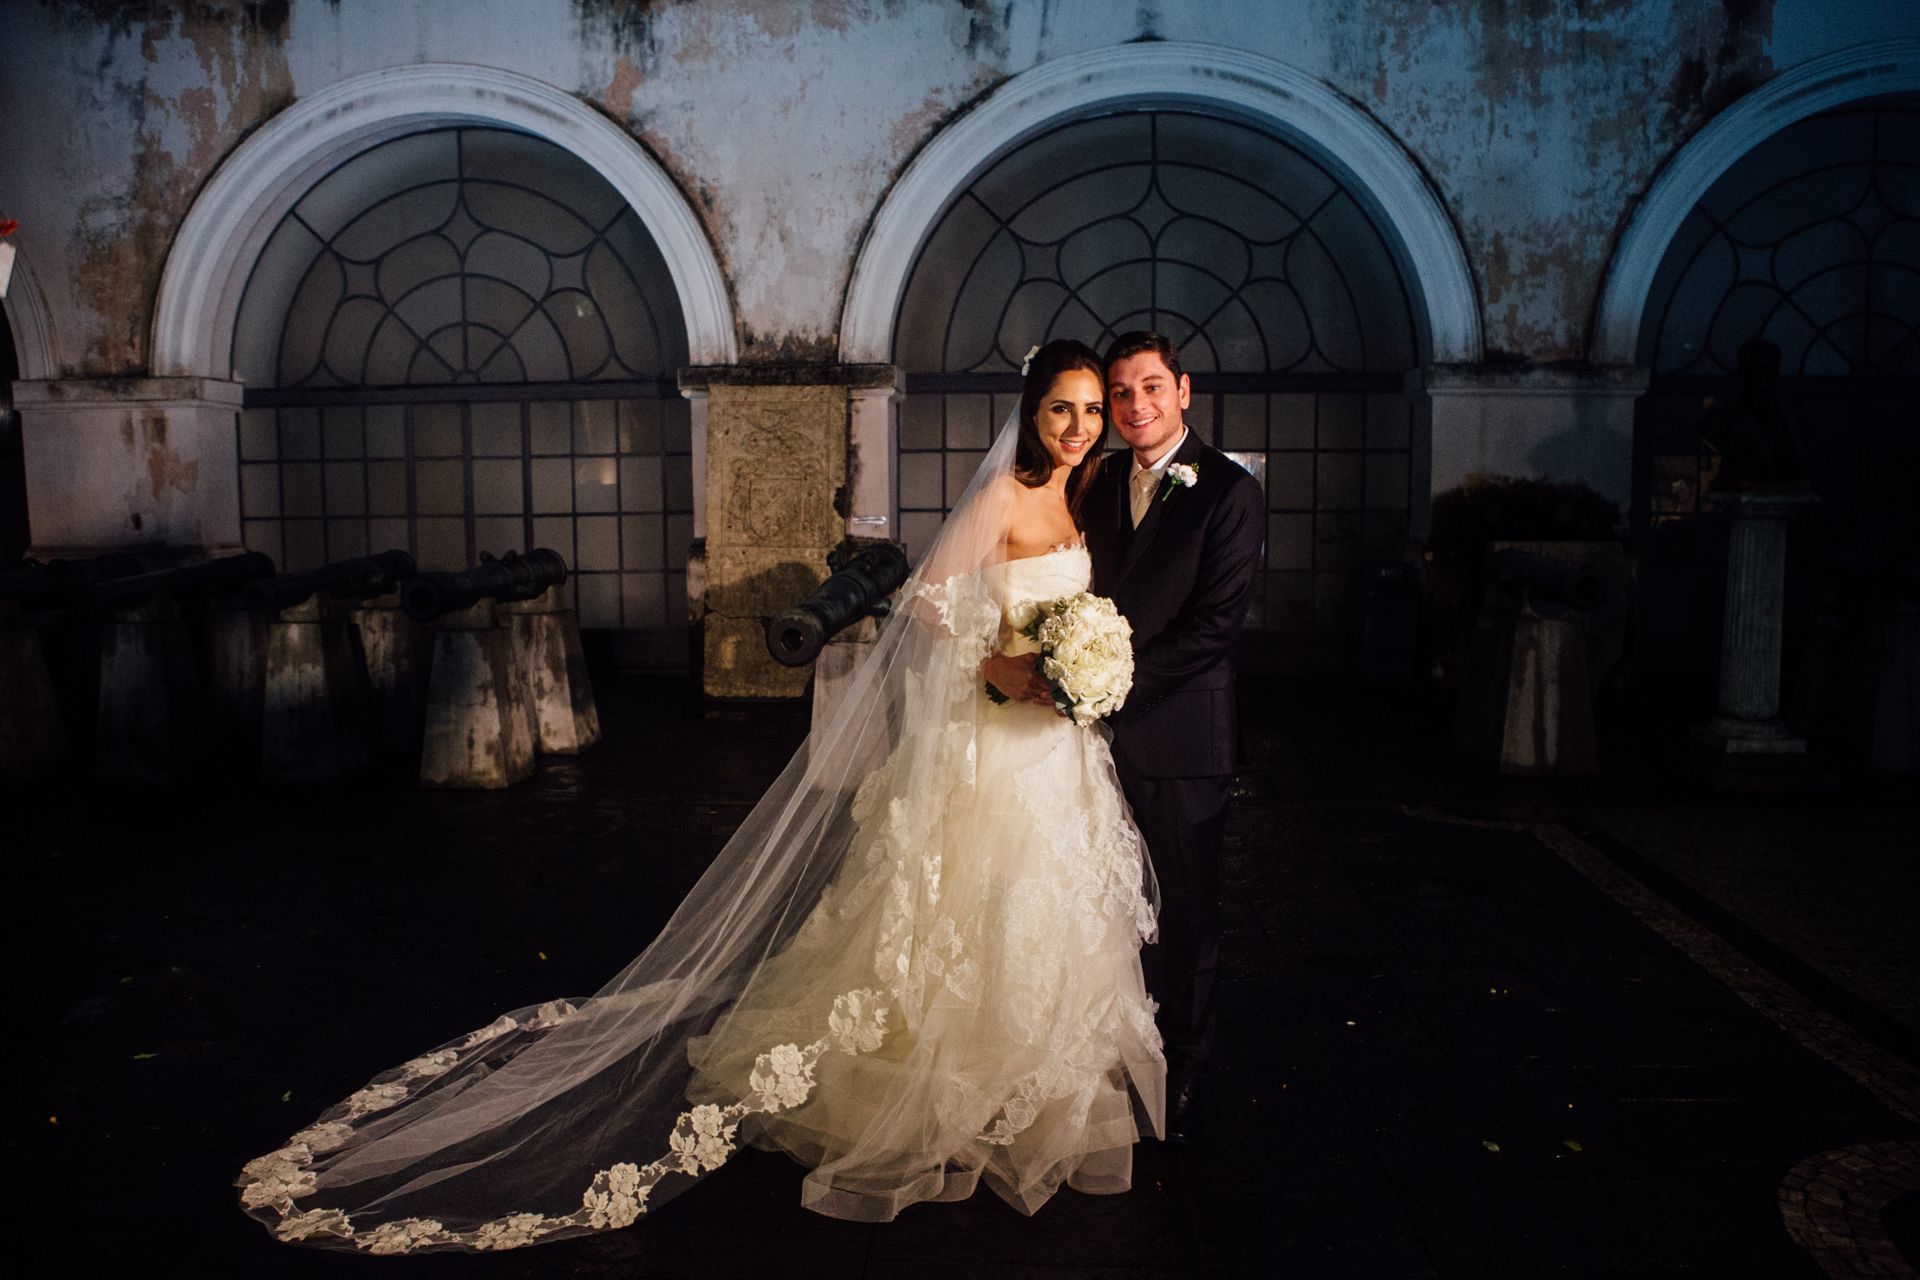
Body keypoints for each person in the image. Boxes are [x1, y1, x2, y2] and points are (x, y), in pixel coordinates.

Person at [237, 339, 1164, 1254]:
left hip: (1054, 752)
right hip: (996, 740)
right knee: (968, 913)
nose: (1081, 427)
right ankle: (935, 1087)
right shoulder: (1004, 493)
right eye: (1063, 408)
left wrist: (1082, 663)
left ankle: (1026, 1084)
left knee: (1044, 917)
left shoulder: (1081, 494)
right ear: (1030, 412)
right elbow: (927, 600)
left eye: (1092, 410)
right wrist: (998, 662)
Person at [1082, 332, 1265, 1143]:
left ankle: (1186, 1067)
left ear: (1183, 390)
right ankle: (1118, 1050)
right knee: (1108, 907)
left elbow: (1216, 627)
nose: (1135, 407)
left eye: (1150, 388)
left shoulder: (1227, 490)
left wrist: (1104, 683)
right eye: (1120, 393)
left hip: (1182, 737)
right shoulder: (1099, 481)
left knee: (1186, 911)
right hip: (1089, 739)